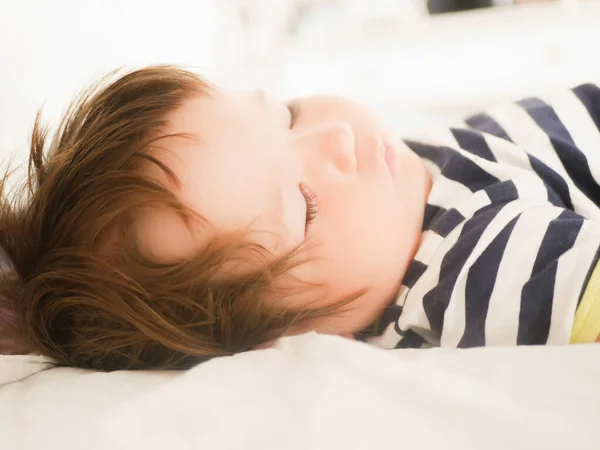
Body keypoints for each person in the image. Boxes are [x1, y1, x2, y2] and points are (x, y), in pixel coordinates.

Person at [0, 65, 599, 370]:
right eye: (303, 207)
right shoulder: (479, 269)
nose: (334, 136)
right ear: (274, 342)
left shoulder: (392, 199)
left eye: (285, 116)